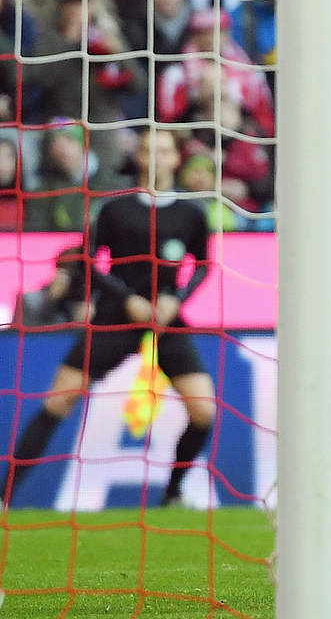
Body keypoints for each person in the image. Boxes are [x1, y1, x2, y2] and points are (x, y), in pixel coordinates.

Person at [2, 128, 214, 508]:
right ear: (140, 158)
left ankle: (173, 493)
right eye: (148, 149)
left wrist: (176, 299)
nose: (155, 157)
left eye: (163, 150)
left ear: (175, 159)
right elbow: (88, 260)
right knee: (58, 401)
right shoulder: (116, 208)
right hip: (117, 314)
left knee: (204, 410)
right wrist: (126, 297)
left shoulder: (191, 213)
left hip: (164, 318)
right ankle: (4, 496)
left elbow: (202, 265)